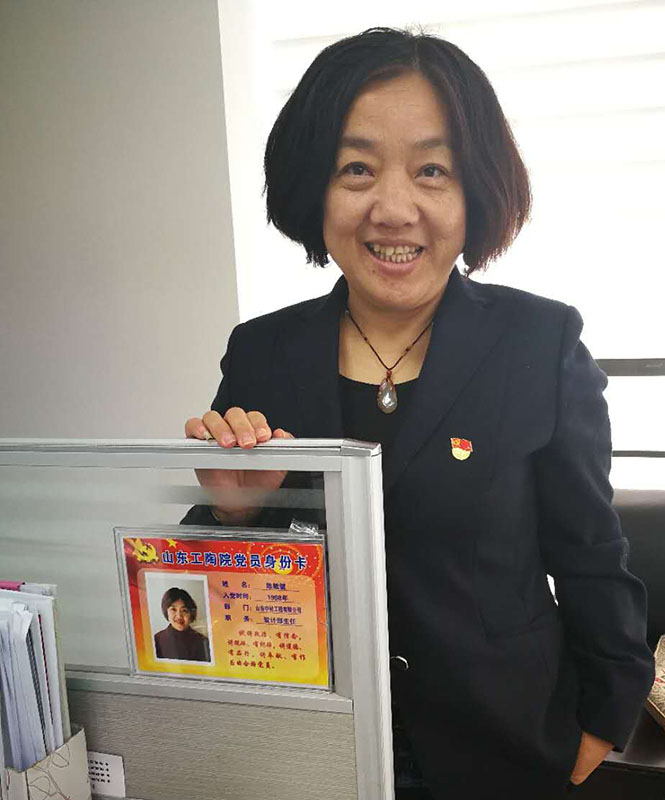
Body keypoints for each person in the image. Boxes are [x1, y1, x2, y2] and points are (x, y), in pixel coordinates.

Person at [181, 28, 654, 798]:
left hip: (504, 743)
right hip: (311, 746)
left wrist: (604, 716)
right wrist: (233, 513)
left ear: (476, 190)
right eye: (356, 169)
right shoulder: (262, 351)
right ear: (313, 184)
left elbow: (590, 549)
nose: (393, 208)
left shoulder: (539, 341)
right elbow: (217, 586)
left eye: (432, 170)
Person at [154, 587, 211, 662]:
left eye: (184, 610)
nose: (179, 616)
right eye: (173, 609)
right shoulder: (156, 640)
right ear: (166, 612)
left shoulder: (203, 641)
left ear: (191, 614)